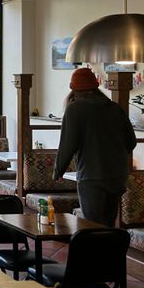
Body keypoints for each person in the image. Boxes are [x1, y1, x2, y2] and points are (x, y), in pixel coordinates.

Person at [54, 67, 136, 226]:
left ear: (74, 88)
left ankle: (96, 251)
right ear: (95, 86)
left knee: (93, 226)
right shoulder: (115, 108)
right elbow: (131, 142)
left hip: (91, 176)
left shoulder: (74, 109)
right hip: (117, 177)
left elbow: (67, 144)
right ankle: (111, 251)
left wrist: (58, 171)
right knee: (108, 223)